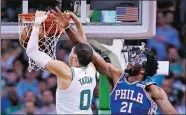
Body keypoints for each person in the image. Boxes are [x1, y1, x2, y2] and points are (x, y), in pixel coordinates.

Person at [50, 7, 178, 114]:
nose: (130, 61)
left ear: (143, 68)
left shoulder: (152, 90)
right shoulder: (117, 76)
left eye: (136, 60)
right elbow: (88, 50)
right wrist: (67, 27)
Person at [25, 10, 97, 114]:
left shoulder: (66, 73)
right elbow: (85, 45)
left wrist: (37, 24)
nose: (69, 55)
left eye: (71, 53)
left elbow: (32, 51)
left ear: (75, 58)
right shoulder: (91, 69)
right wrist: (76, 23)